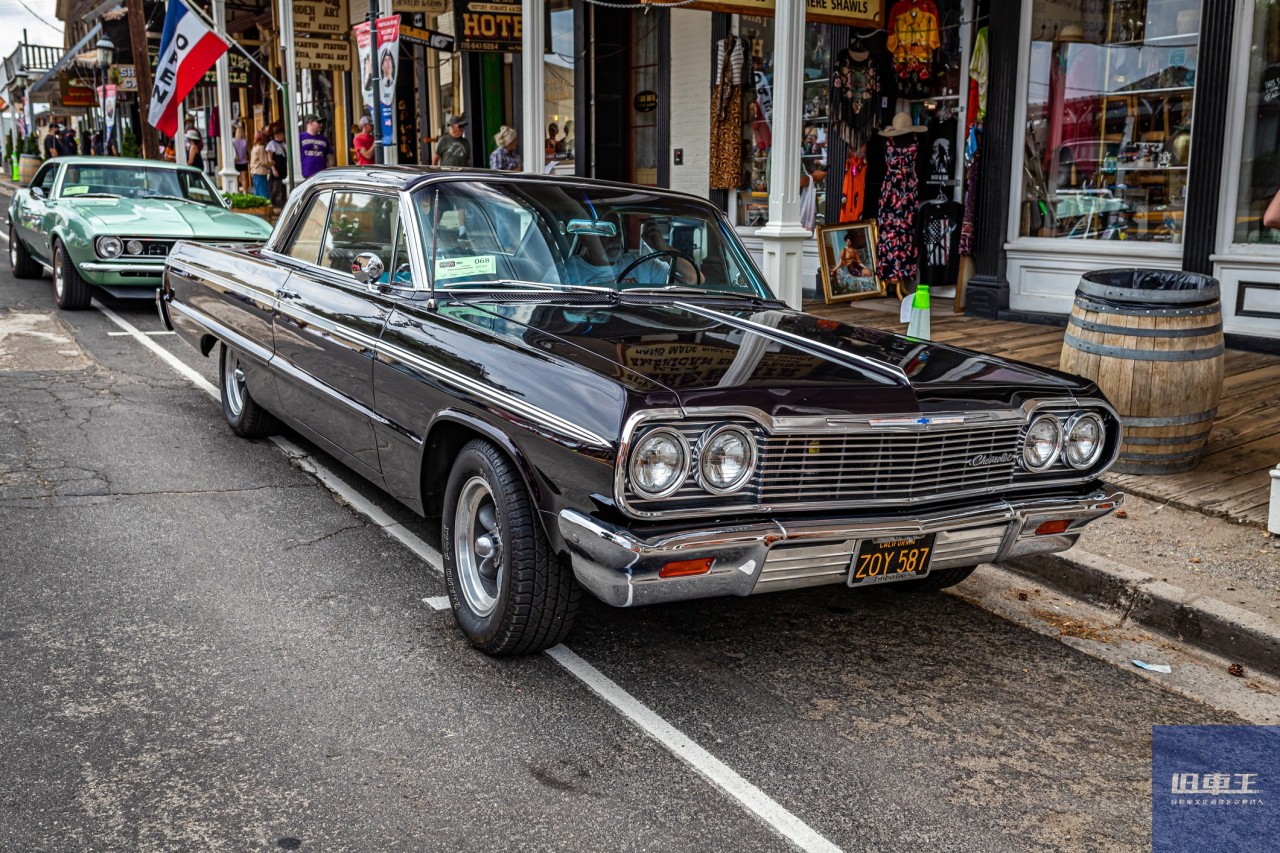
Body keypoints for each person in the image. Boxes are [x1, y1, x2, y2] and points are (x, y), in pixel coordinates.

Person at [564, 212, 671, 286]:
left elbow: (687, 278)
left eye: (618, 231)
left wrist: (663, 247)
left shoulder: (640, 265)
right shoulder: (565, 273)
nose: (615, 238)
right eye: (606, 231)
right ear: (585, 238)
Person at [298, 113, 332, 180]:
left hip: (321, 176)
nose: (321, 125)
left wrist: (330, 169)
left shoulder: (324, 140)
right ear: (310, 123)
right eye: (318, 122)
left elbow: (329, 155)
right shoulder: (300, 137)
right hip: (305, 176)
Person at [266, 124, 288, 209]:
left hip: (283, 168)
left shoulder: (284, 144)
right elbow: (270, 159)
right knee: (275, 188)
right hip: (276, 168)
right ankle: (272, 203)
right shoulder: (271, 144)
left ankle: (283, 204)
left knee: (283, 187)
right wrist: (273, 169)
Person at [249, 129, 271, 199]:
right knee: (263, 192)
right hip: (260, 172)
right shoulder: (261, 148)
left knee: (257, 192)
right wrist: (272, 164)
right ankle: (266, 207)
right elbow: (264, 162)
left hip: (254, 172)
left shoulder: (254, 147)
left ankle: (258, 208)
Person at [233, 123, 249, 192]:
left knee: (236, 178)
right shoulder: (245, 141)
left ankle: (236, 191)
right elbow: (248, 151)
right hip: (244, 161)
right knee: (244, 178)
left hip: (236, 162)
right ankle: (245, 191)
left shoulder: (233, 141)